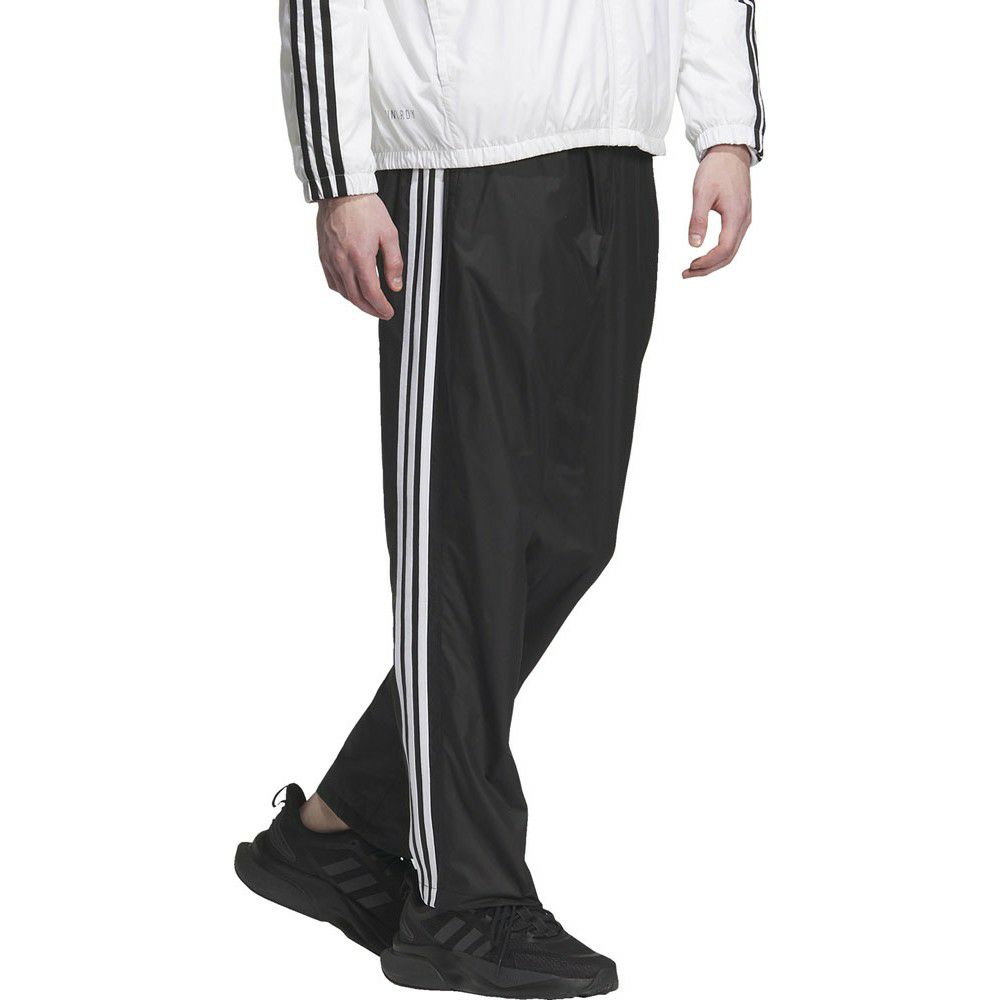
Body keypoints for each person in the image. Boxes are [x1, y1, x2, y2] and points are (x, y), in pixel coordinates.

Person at [236, 2, 764, 996]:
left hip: (616, 148)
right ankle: (464, 899)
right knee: (465, 536)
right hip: (461, 152)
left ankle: (343, 825)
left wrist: (726, 126)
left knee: (570, 534)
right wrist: (339, 176)